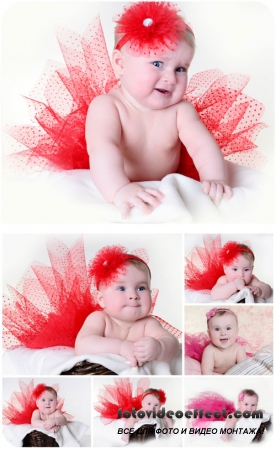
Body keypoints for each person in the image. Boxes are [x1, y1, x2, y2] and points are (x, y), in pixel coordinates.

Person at [86, 1, 232, 218]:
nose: (171, 78)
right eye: (157, 64)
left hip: (163, 182)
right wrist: (118, 190)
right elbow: (103, 150)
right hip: (117, 179)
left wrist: (215, 179)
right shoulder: (108, 106)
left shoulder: (180, 110)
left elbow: (202, 146)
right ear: (120, 64)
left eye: (181, 69)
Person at [75, 245, 180, 367]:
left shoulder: (148, 323)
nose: (133, 295)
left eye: (141, 288)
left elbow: (173, 345)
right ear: (101, 299)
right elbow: (82, 345)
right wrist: (121, 347)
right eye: (121, 288)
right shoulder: (99, 319)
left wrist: (159, 348)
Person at [201, 308, 247, 375]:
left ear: (236, 332)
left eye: (228, 328)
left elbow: (244, 368)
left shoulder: (238, 349)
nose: (223, 333)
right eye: (217, 329)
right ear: (209, 334)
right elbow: (207, 371)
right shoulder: (209, 350)